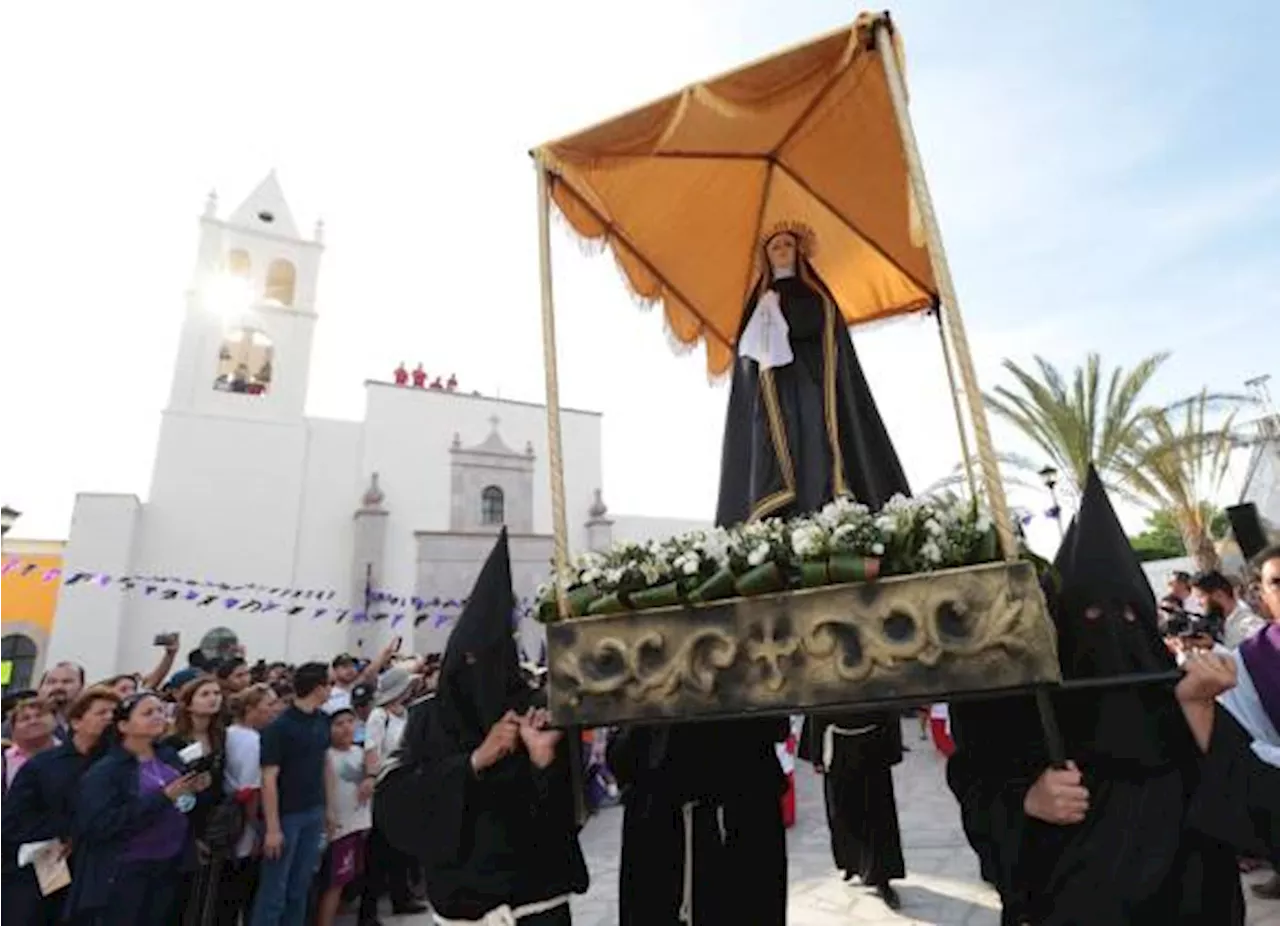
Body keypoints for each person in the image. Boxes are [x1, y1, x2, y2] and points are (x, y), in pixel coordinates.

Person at [611, 222, 912, 925]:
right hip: (776, 435)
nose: (781, 257)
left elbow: (831, 354)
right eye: (772, 250)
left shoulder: (817, 303)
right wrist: (767, 318)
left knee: (821, 453)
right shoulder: (757, 312)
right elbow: (751, 369)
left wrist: (796, 315)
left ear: (800, 254)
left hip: (821, 416)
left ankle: (876, 864)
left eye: (789, 249)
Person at [945, 466, 1244, 925]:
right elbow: (976, 780)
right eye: (1087, 613)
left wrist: (1201, 712)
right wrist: (1026, 800)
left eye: (1127, 616)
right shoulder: (1033, 709)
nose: (1108, 628)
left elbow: (1245, 803)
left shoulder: (1175, 694)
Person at [374, 529, 588, 924]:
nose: (482, 676)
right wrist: (473, 762)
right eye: (472, 662)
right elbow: (396, 810)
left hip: (537, 909)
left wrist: (544, 763)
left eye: (492, 663)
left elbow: (563, 820)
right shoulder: (427, 718)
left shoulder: (535, 715)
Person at [65, 692, 211, 926]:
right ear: (123, 725)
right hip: (126, 870)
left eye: (160, 711)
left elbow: (180, 802)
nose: (158, 717)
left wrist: (193, 790)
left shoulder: (168, 756)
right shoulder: (108, 770)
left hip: (169, 863)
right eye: (147, 713)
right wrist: (162, 798)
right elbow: (100, 825)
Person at [0, 687, 120, 926]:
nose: (109, 718)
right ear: (76, 721)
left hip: (94, 874)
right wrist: (66, 831)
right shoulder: (43, 766)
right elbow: (13, 821)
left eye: (114, 714)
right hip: (39, 872)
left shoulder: (118, 764)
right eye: (102, 712)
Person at [250, 661, 334, 926]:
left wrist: (329, 809)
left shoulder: (322, 720)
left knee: (300, 885)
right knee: (275, 888)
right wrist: (273, 828)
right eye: (329, 684)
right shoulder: (279, 727)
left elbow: (325, 764)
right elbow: (269, 777)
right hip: (287, 814)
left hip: (313, 808)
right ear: (318, 688)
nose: (331, 689)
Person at [799, 708, 906, 908]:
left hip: (873, 745)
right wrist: (816, 752)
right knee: (841, 812)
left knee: (878, 813)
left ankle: (881, 877)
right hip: (838, 745)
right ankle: (850, 862)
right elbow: (817, 705)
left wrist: (892, 747)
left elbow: (888, 700)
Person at [359, 667, 425, 921]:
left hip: (404, 786)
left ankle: (402, 896)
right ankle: (368, 912)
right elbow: (372, 750)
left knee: (400, 847)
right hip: (385, 787)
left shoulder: (405, 713)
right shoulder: (379, 715)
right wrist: (375, 777)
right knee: (378, 853)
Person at [219, 684, 278, 926]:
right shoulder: (253, 742)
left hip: (229, 814)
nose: (274, 711)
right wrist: (253, 830)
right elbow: (251, 789)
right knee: (240, 889)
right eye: (269, 706)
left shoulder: (228, 733)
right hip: (243, 820)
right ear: (250, 709)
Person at [317, 705, 374, 926]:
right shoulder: (326, 756)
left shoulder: (360, 752)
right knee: (334, 882)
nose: (346, 728)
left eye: (350, 722)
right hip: (338, 828)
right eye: (339, 724)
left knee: (350, 877)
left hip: (359, 823)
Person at [1193, 569, 1267, 649]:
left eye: (1200, 596)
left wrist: (1214, 647)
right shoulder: (1219, 624)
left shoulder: (1250, 624)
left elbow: (1256, 658)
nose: (1198, 603)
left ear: (1219, 595)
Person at [2, 695, 58, 795]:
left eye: (39, 715)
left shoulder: (70, 753)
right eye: (25, 719)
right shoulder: (4, 758)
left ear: (54, 721)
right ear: (13, 729)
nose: (33, 721)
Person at [36, 662, 84, 741]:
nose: (58, 687)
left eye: (67, 682)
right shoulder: (25, 722)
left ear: (81, 688)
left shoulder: (92, 721)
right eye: (51, 682)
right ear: (39, 689)